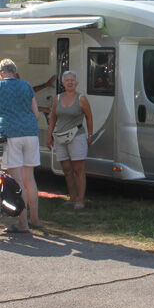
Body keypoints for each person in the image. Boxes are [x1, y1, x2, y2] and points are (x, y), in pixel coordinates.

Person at [0, 59, 41, 233]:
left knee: (18, 181)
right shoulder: (27, 86)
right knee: (30, 179)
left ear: (1, 73)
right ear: (15, 71)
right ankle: (35, 220)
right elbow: (36, 114)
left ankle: (23, 223)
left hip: (10, 134)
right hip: (30, 133)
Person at [47, 70, 94, 210]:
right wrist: (49, 135)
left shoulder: (81, 99)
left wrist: (90, 135)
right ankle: (72, 198)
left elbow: (89, 117)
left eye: (72, 80)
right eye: (67, 80)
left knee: (78, 169)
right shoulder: (58, 98)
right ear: (62, 83)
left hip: (77, 136)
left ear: (76, 83)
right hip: (60, 137)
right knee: (66, 169)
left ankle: (80, 199)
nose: (69, 82)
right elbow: (53, 117)